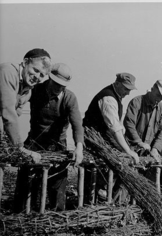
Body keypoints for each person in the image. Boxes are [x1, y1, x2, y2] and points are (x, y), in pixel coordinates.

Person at [15, 63, 84, 211]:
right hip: (34, 143)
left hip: (57, 146)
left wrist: (79, 146)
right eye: (56, 83)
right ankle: (23, 214)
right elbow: (18, 101)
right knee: (26, 185)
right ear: (50, 79)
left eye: (62, 85)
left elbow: (77, 123)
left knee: (57, 187)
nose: (59, 87)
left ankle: (56, 217)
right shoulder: (36, 89)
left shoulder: (69, 98)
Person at [0, 48, 52, 163]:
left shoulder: (27, 91)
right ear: (24, 62)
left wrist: (8, 147)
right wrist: (19, 148)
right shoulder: (8, 72)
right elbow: (8, 114)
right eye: (35, 70)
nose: (37, 77)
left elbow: (14, 118)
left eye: (42, 75)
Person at [83, 72, 139, 164]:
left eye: (130, 90)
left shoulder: (117, 96)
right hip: (93, 138)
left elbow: (119, 126)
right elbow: (115, 128)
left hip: (103, 137)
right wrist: (128, 151)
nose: (128, 93)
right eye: (126, 89)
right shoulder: (108, 98)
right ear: (117, 83)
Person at [123, 80, 162, 161]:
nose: (159, 99)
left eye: (161, 97)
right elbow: (129, 124)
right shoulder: (137, 102)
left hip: (148, 152)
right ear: (152, 89)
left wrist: (155, 148)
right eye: (158, 95)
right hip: (131, 148)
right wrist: (139, 142)